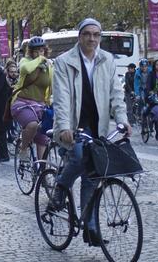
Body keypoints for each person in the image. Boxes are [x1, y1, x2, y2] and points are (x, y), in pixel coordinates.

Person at [50, 18, 131, 247]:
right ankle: (60, 186)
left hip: (98, 125)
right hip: (73, 124)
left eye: (96, 34)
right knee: (78, 157)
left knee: (93, 177)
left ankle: (91, 229)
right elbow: (62, 97)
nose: (92, 39)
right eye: (87, 34)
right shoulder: (64, 62)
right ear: (80, 36)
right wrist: (64, 127)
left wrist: (123, 121)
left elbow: (116, 93)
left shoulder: (107, 60)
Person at [10, 36, 53, 162]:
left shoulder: (49, 67)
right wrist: (39, 59)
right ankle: (23, 149)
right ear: (31, 51)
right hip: (21, 102)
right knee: (32, 125)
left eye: (42, 50)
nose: (39, 53)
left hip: (40, 104)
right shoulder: (25, 61)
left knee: (43, 138)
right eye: (36, 51)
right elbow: (25, 69)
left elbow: (53, 84)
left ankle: (42, 173)